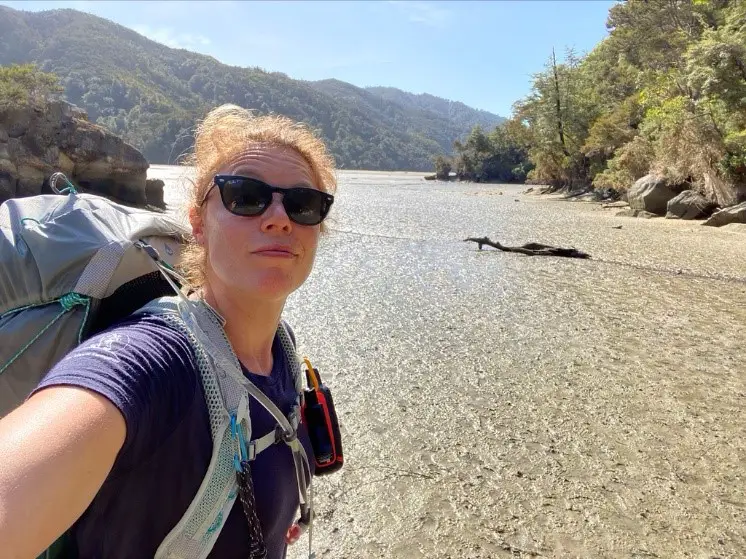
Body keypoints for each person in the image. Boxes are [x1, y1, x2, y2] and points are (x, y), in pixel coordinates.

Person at [0, 104, 337, 559]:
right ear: (198, 224)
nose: (279, 218)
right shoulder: (150, 359)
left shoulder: (282, 348)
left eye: (303, 204)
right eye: (246, 196)